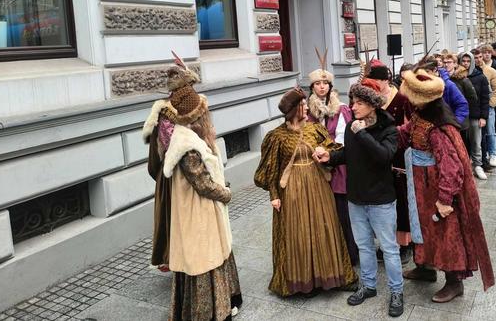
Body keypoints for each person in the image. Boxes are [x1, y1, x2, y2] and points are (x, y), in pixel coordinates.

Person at [143, 60, 242, 321]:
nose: (206, 117)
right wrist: (225, 193)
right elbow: (202, 183)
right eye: (202, 113)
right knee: (203, 261)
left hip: (198, 210)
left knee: (209, 258)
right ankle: (207, 313)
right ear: (193, 116)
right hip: (196, 213)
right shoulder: (186, 146)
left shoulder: (185, 138)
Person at [398, 68, 495, 303]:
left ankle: (454, 283)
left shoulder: (440, 127)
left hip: (435, 189)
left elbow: (452, 168)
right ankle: (425, 267)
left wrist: (444, 199)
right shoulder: (422, 115)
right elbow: (405, 133)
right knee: (423, 228)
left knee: (445, 235)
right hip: (420, 186)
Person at [314, 79, 405, 318]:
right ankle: (369, 285)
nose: (353, 107)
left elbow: (384, 156)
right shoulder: (353, 126)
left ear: (372, 106)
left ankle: (396, 291)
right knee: (364, 247)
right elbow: (348, 153)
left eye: (359, 103)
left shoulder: (388, 128)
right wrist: (330, 157)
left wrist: (362, 133)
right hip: (356, 198)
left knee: (388, 248)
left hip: (381, 200)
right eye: (353, 102)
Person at [254, 88, 357, 298]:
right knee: (298, 231)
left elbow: (332, 147)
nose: (307, 108)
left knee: (325, 228)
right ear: (293, 110)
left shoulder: (314, 129)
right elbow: (270, 170)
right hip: (292, 192)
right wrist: (274, 195)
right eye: (303, 105)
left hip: (319, 186)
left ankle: (332, 276)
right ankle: (304, 282)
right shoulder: (277, 136)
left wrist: (326, 152)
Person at [306, 54, 358, 266]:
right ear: (312, 87)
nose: (321, 87)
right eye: (317, 84)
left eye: (325, 83)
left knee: (342, 212)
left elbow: (343, 138)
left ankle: (350, 253)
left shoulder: (342, 108)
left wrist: (329, 153)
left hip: (338, 164)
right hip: (314, 165)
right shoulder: (307, 111)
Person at [367, 59, 414, 260]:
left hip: (399, 157)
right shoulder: (372, 100)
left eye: (377, 81)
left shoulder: (402, 99)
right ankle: (386, 240)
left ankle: (404, 243)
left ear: (385, 80)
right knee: (384, 201)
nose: (375, 85)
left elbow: (410, 128)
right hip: (379, 156)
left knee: (402, 200)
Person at [458, 52, 490, 180]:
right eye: (463, 61)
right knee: (462, 142)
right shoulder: (457, 77)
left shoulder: (480, 77)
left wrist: (483, 116)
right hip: (461, 116)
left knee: (477, 142)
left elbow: (484, 98)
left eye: (468, 61)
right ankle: (465, 166)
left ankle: (478, 165)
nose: (465, 63)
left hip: (475, 115)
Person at [473, 48, 496, 171]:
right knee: (479, 134)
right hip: (475, 108)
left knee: (490, 131)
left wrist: (491, 104)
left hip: (488, 106)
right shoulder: (469, 72)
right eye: (476, 57)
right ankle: (481, 155)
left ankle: (493, 153)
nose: (479, 59)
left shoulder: (490, 71)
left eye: (480, 57)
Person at [443, 53, 478, 148]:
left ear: (455, 64)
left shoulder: (463, 80)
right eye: (444, 62)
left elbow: (472, 98)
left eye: (449, 62)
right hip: (446, 119)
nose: (446, 64)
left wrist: (464, 112)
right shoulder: (441, 79)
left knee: (462, 146)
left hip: (460, 119)